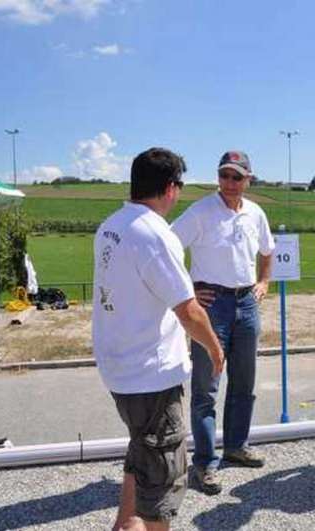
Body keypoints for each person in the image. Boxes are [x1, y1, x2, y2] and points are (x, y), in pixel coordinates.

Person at [92, 147, 225, 531]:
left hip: (121, 368)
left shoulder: (112, 226)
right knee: (163, 486)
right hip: (149, 375)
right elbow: (189, 311)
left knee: (142, 456)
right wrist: (215, 350)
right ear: (170, 187)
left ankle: (123, 525)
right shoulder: (154, 234)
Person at [171, 150, 275, 495]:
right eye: (224, 175)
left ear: (249, 179)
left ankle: (236, 445)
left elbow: (267, 251)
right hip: (211, 305)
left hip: (246, 302)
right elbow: (167, 248)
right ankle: (204, 463)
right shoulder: (200, 211)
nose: (229, 183)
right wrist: (188, 289)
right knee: (206, 388)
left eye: (236, 177)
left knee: (244, 383)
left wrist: (263, 282)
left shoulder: (255, 213)